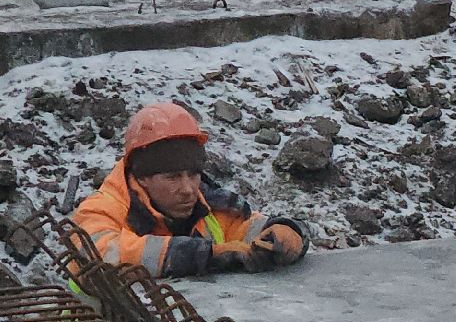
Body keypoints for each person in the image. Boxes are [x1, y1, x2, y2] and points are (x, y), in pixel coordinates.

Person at [70, 102, 307, 278]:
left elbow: (249, 228)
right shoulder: (103, 208)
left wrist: (287, 232)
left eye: (193, 174)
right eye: (172, 177)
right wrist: (203, 255)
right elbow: (96, 256)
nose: (188, 189)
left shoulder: (210, 205)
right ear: (142, 178)